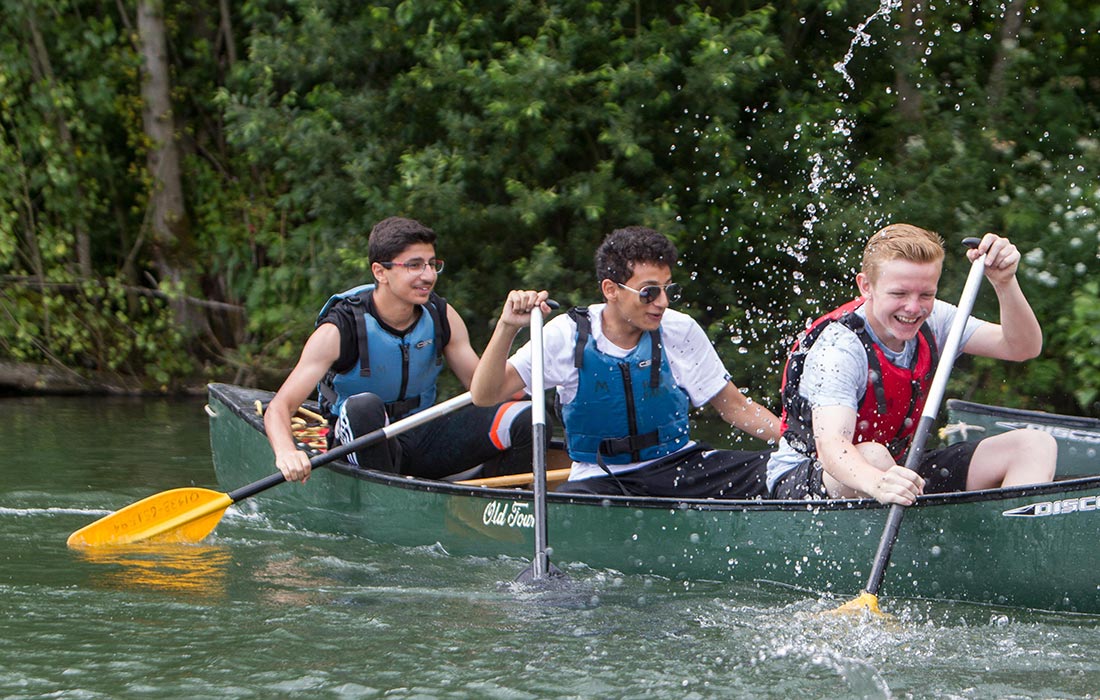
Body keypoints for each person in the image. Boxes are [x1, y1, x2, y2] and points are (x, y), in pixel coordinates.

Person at [470, 225, 781, 497]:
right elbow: (485, 394)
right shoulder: (565, 336)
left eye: (667, 289)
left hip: (677, 466)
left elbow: (736, 408)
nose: (662, 302)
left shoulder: (679, 329)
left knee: (781, 471)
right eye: (649, 292)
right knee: (574, 502)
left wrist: (806, 442)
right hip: (600, 478)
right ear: (611, 290)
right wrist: (507, 326)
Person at [767, 223, 1057, 503]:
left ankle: (1014, 546)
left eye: (926, 295)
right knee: (874, 457)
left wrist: (1004, 282)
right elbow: (832, 448)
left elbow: (1022, 347)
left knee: (1034, 445)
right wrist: (881, 482)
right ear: (865, 286)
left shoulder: (936, 320)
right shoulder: (839, 348)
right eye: (899, 294)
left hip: (898, 469)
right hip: (810, 479)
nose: (914, 308)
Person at [264, 216, 533, 483]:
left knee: (525, 416)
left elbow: (485, 390)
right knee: (364, 407)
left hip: (421, 435)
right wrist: (287, 453)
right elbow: (279, 408)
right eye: (414, 265)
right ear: (380, 272)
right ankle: (384, 503)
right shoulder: (339, 329)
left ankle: (500, 505)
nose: (427, 276)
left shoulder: (442, 317)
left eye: (432, 264)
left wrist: (509, 330)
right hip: (359, 442)